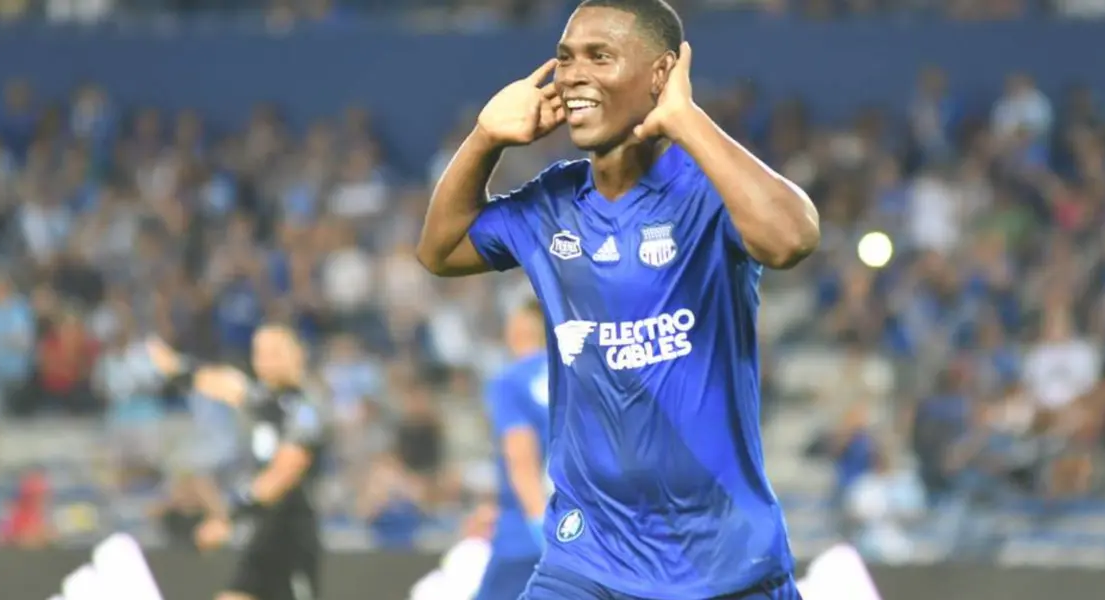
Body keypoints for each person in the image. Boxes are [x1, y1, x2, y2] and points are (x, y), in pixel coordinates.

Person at [416, 0, 819, 597]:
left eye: (599, 57)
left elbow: (792, 239)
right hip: (588, 559)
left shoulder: (709, 190)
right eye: (565, 58)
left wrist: (686, 120)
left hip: (724, 563)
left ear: (660, 74)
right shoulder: (552, 202)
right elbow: (440, 251)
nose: (573, 75)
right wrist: (485, 140)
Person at [147, 325, 327, 600]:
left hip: (291, 535)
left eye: (275, 352)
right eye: (260, 353)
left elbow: (284, 473)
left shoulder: (305, 408)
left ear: (297, 354)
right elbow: (228, 385)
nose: (265, 361)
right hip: (264, 535)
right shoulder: (264, 399)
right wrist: (180, 369)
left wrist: (230, 518)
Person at [475, 299, 551, 600]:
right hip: (585, 529)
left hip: (526, 534)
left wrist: (540, 527)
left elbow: (521, 460)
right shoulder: (579, 373)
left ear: (518, 331)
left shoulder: (510, 381)